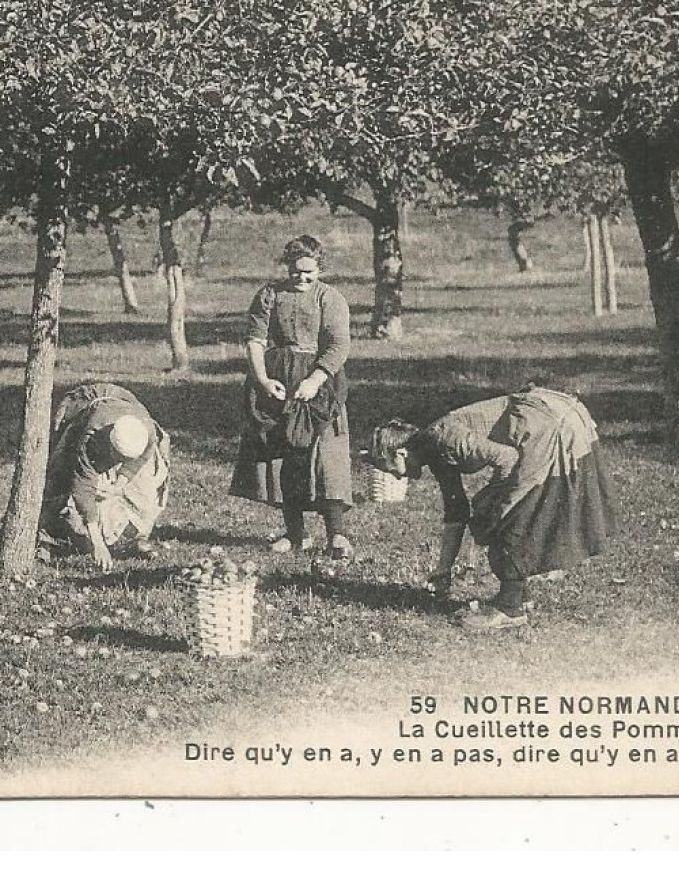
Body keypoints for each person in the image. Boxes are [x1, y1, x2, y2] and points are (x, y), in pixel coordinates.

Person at [368, 386, 617, 630]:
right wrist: (443, 569)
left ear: (400, 453)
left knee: (501, 517)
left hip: (551, 424)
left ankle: (510, 608)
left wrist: (500, 504)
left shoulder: (442, 438)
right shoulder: (432, 447)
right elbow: (456, 512)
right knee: (495, 512)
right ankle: (518, 594)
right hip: (555, 415)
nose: (396, 477)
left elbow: (507, 458)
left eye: (389, 468)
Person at [229, 234, 356, 561]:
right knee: (282, 456)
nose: (302, 278)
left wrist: (315, 380)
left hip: (319, 380)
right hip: (279, 379)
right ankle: (295, 534)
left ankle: (337, 534)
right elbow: (255, 341)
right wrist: (262, 379)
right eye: (296, 272)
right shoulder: (269, 295)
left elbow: (338, 345)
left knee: (325, 457)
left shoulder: (330, 298)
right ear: (287, 268)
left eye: (309, 273)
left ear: (319, 269)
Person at [39, 382, 171, 571]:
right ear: (109, 443)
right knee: (59, 476)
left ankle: (134, 537)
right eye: (117, 458)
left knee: (147, 487)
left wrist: (119, 483)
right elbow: (82, 487)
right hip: (87, 404)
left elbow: (140, 458)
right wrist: (98, 544)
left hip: (123, 401)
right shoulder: (92, 433)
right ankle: (45, 537)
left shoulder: (147, 432)